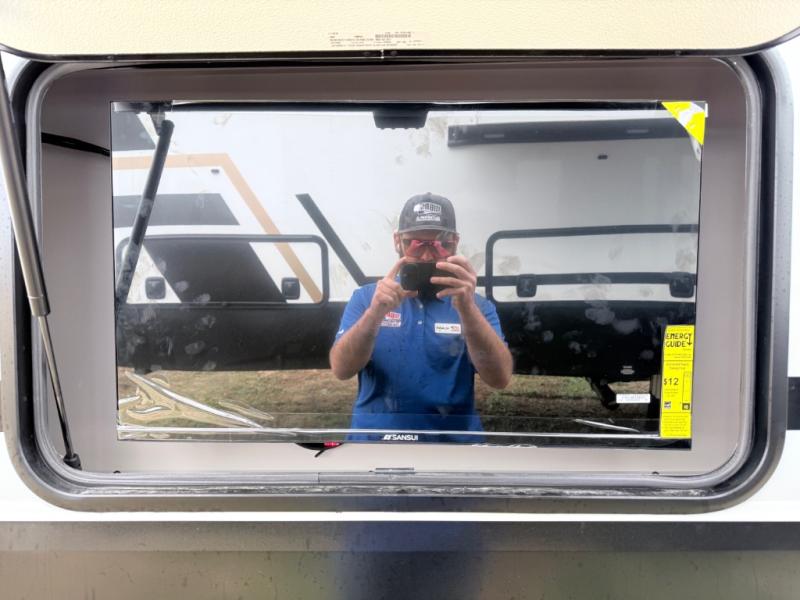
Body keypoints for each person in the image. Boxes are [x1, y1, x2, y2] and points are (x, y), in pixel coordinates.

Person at [329, 192, 513, 440]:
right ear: (397, 241)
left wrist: (468, 310)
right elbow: (341, 369)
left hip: (452, 447)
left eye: (439, 244)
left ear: (455, 243)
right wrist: (375, 313)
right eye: (415, 244)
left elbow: (499, 379)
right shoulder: (366, 298)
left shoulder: (476, 306)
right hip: (376, 444)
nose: (427, 256)